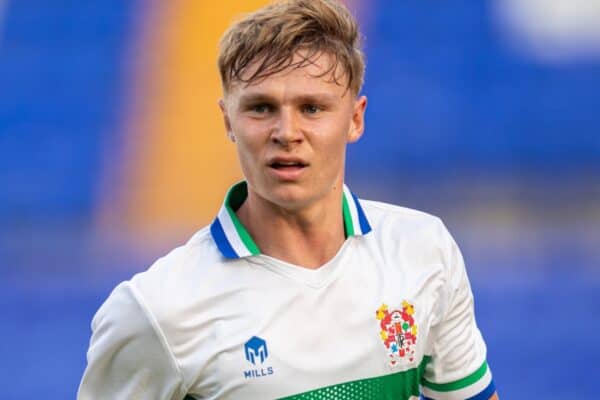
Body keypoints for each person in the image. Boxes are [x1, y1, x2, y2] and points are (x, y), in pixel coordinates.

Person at [78, 0, 499, 399]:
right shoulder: (157, 310)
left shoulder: (423, 251)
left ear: (355, 118)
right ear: (228, 121)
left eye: (312, 108)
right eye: (261, 108)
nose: (286, 132)